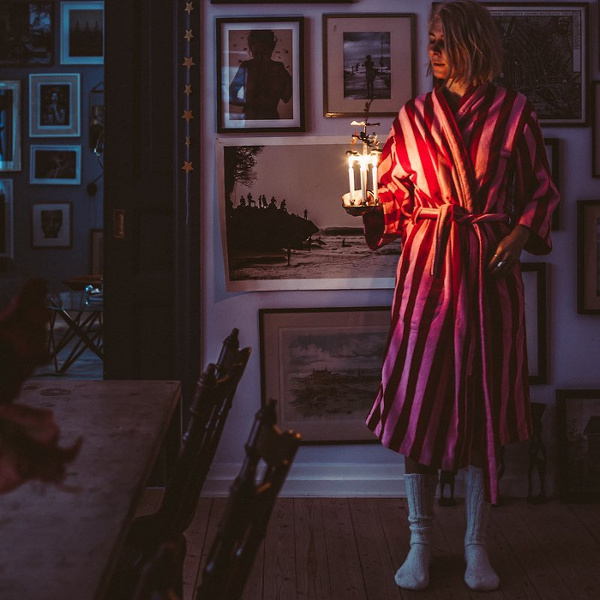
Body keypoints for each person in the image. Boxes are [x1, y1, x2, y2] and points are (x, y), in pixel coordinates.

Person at [343, 0, 558, 592]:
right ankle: (419, 540)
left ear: (472, 42)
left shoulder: (515, 113)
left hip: (489, 275)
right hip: (428, 277)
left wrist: (520, 233)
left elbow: (541, 192)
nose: (432, 50)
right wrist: (368, 206)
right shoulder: (413, 117)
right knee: (419, 402)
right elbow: (394, 198)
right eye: (431, 40)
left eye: (443, 40)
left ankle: (475, 544)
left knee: (483, 401)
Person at [229, 29, 293, 120]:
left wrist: (288, 79)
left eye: (265, 53)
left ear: (271, 49)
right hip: (249, 119)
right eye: (256, 53)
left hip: (271, 120)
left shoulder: (278, 68)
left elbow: (286, 98)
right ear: (251, 50)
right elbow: (230, 96)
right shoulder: (247, 66)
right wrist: (251, 103)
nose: (260, 58)